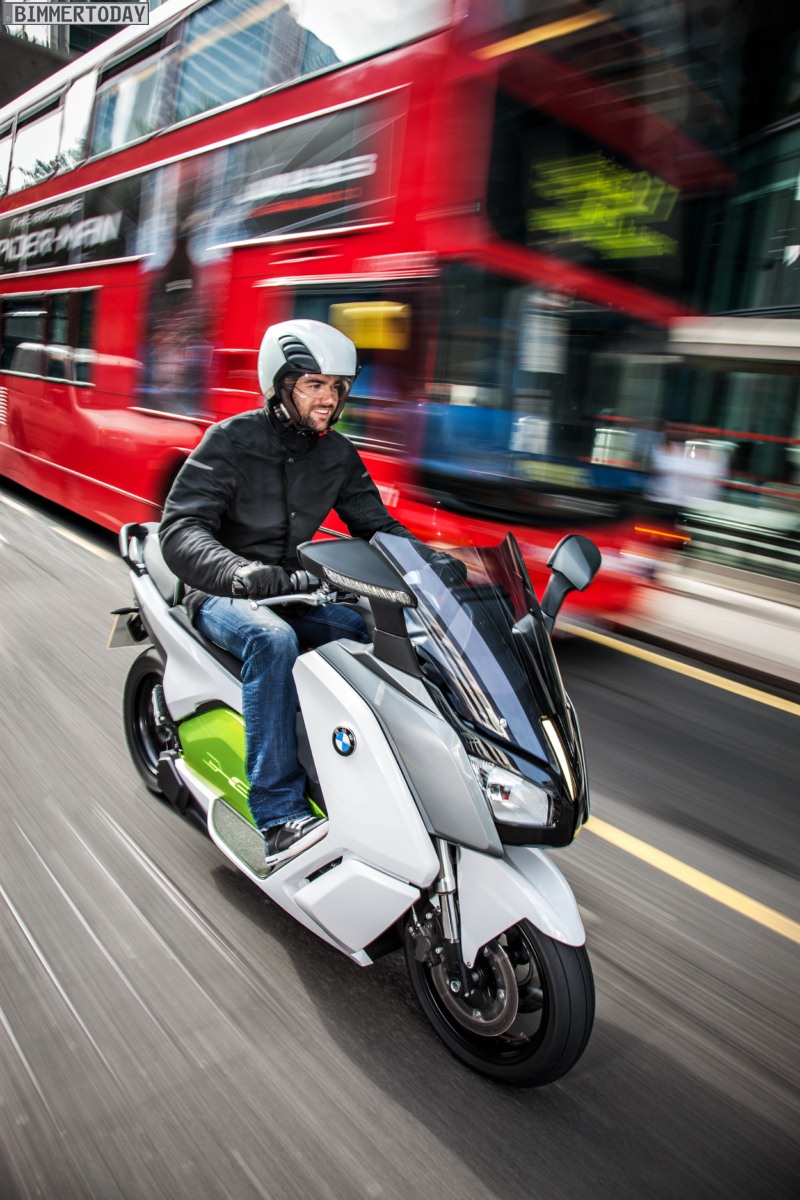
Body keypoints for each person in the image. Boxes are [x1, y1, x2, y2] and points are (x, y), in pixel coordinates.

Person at [159, 319, 415, 867]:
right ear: (280, 385)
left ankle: (353, 775)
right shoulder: (230, 441)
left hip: (293, 589)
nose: (330, 398)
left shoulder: (337, 454)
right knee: (272, 641)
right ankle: (278, 815)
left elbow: (376, 528)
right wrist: (236, 571)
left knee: (363, 632)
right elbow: (181, 529)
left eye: (338, 386)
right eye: (314, 384)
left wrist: (432, 566)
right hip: (223, 590)